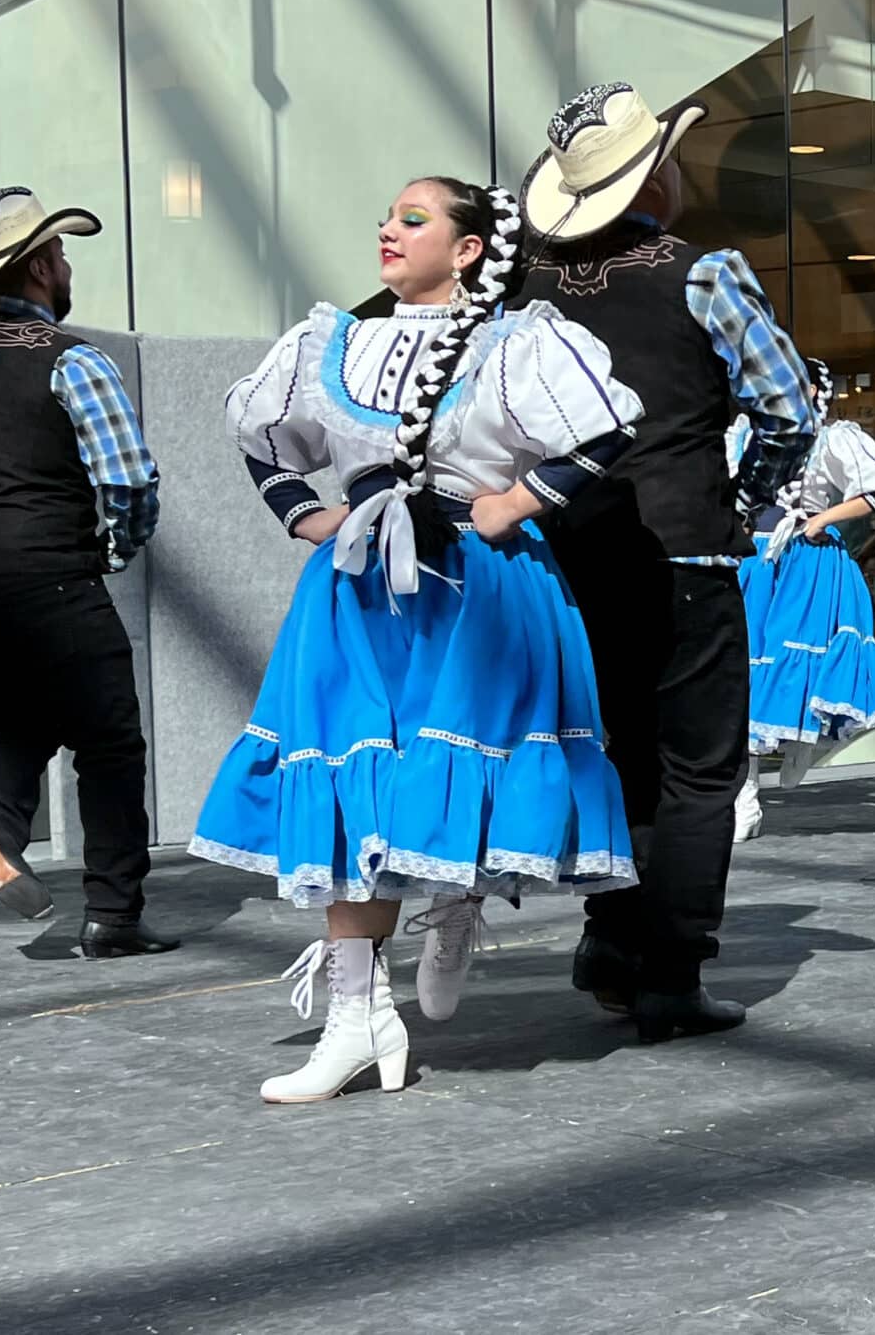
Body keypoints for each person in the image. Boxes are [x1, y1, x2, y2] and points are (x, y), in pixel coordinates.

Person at [191, 177, 643, 1102]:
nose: (387, 231)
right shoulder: (333, 340)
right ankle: (358, 1021)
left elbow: (605, 428)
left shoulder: (520, 340)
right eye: (386, 216)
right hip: (358, 586)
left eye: (412, 218)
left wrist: (515, 501)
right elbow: (261, 435)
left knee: (443, 764)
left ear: (469, 247)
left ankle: (454, 897)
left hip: (478, 588)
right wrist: (302, 515)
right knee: (355, 784)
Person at [510, 82, 817, 1042]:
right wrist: (748, 495)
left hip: (567, 553)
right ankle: (671, 969)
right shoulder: (705, 271)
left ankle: (611, 937)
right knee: (698, 766)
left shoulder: (532, 283)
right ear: (661, 175)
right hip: (684, 544)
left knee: (619, 753)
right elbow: (788, 409)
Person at [0, 188, 175, 958]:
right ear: (45, 262)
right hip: (48, 568)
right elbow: (128, 479)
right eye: (63, 253)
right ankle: (113, 914)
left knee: (15, 712)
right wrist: (113, 548)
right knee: (109, 739)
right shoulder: (73, 359)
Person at [732, 360, 875, 841]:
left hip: (807, 560)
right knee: (748, 672)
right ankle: (747, 792)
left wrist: (820, 520)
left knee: (789, 666)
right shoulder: (746, 435)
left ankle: (798, 746)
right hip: (756, 562)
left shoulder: (832, 437)